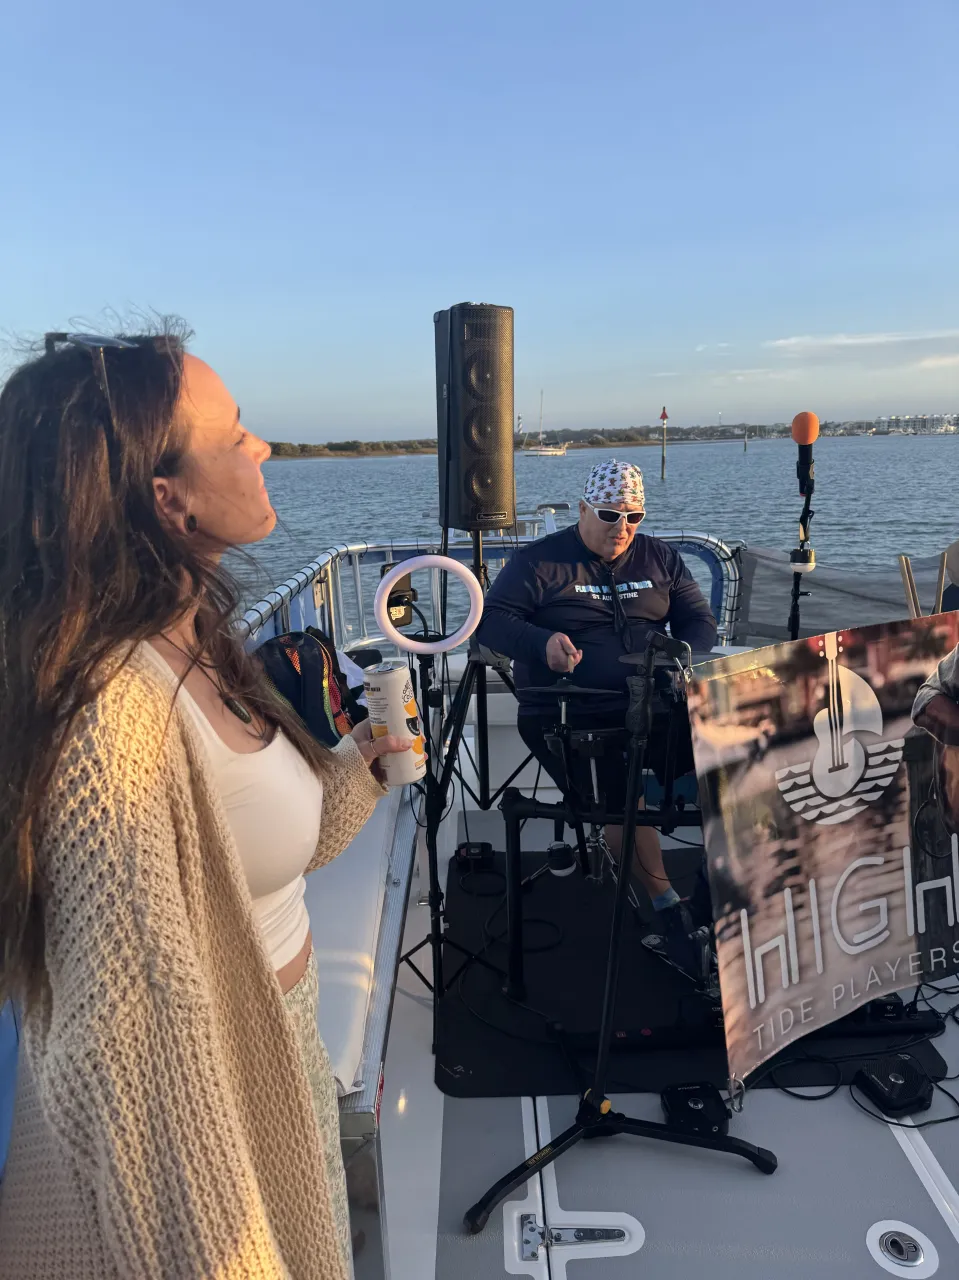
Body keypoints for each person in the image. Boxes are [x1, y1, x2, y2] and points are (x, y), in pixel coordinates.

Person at [0, 327, 410, 1279]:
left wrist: (359, 765)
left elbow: (247, 863)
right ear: (164, 497)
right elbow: (137, 1074)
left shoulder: (195, 639)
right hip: (220, 1094)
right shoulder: (113, 719)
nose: (262, 447)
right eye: (235, 433)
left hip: (279, 1047)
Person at [477, 458, 718, 978]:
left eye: (634, 517)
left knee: (736, 764)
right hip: (570, 710)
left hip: (658, 701)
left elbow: (700, 620)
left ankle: (716, 895)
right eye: (610, 515)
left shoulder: (661, 557)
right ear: (583, 507)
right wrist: (542, 644)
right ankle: (666, 908)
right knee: (616, 796)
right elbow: (491, 622)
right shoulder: (539, 563)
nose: (623, 529)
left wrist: (684, 655)